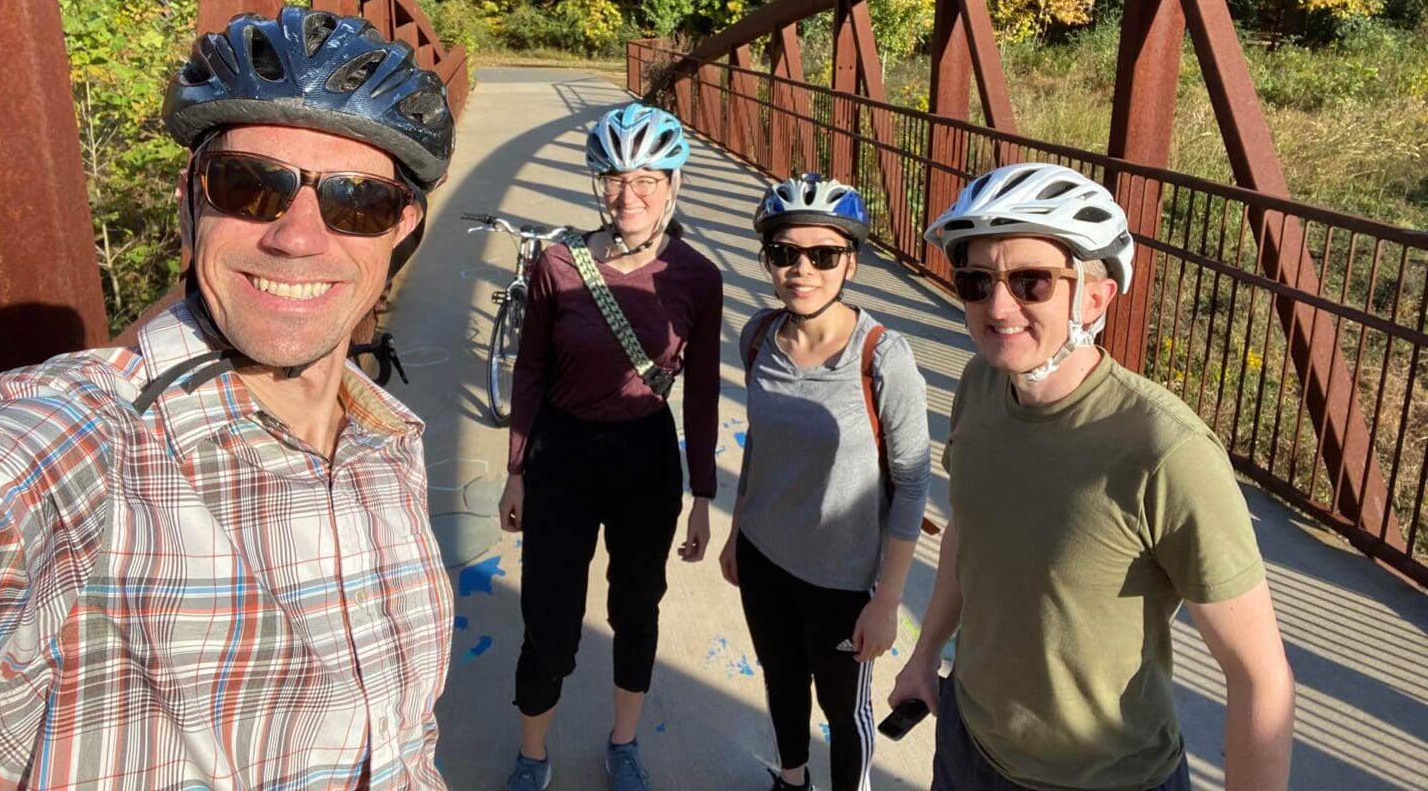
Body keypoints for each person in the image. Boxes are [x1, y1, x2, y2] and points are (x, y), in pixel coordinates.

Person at [0, 6, 457, 788]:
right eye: (249, 186)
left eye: (358, 202)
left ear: (401, 228)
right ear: (190, 200)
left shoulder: (388, 443)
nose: (299, 237)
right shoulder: (81, 448)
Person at [890, 162, 1295, 791]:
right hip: (968, 747)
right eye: (975, 281)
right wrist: (924, 654)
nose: (998, 307)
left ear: (1097, 296)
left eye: (1031, 282)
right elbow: (968, 532)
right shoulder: (979, 387)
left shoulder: (1164, 449)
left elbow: (1259, 676)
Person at [498, 102, 723, 791]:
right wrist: (517, 470)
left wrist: (703, 495)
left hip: (644, 460)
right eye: (615, 179)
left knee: (636, 608)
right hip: (561, 457)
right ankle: (533, 756)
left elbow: (705, 390)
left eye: (648, 179)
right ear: (598, 184)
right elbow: (530, 369)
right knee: (550, 618)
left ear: (674, 185)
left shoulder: (697, 276)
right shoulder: (558, 266)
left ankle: (623, 744)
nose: (630, 196)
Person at [720, 174, 931, 791]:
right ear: (767, 259)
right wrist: (738, 534)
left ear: (852, 264)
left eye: (823, 254)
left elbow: (914, 484)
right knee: (780, 680)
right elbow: (759, 445)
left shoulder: (882, 358)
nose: (801, 269)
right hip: (763, 558)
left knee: (844, 711)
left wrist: (887, 601)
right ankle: (790, 781)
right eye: (784, 253)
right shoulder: (758, 336)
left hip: (841, 582)